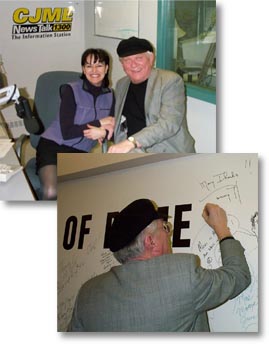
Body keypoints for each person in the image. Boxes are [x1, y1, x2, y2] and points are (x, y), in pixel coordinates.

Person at [68, 199, 251, 332]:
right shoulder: (182, 275)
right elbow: (238, 276)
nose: (168, 234)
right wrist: (222, 229)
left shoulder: (87, 293)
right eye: (165, 228)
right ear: (151, 242)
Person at [36, 48, 115, 200]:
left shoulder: (111, 96)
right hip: (53, 146)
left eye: (99, 65)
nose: (94, 70)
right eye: (88, 66)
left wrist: (103, 133)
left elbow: (109, 132)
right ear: (83, 69)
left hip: (80, 153)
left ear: (106, 68)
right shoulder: (71, 90)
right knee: (52, 191)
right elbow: (67, 132)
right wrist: (100, 122)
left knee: (88, 196)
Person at [108, 36, 195, 153]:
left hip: (165, 150)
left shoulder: (170, 81)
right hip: (132, 149)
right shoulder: (121, 84)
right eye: (127, 60)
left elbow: (168, 124)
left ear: (151, 58)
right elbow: (123, 120)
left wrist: (131, 142)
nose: (133, 65)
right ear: (122, 64)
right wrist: (107, 128)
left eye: (139, 58)